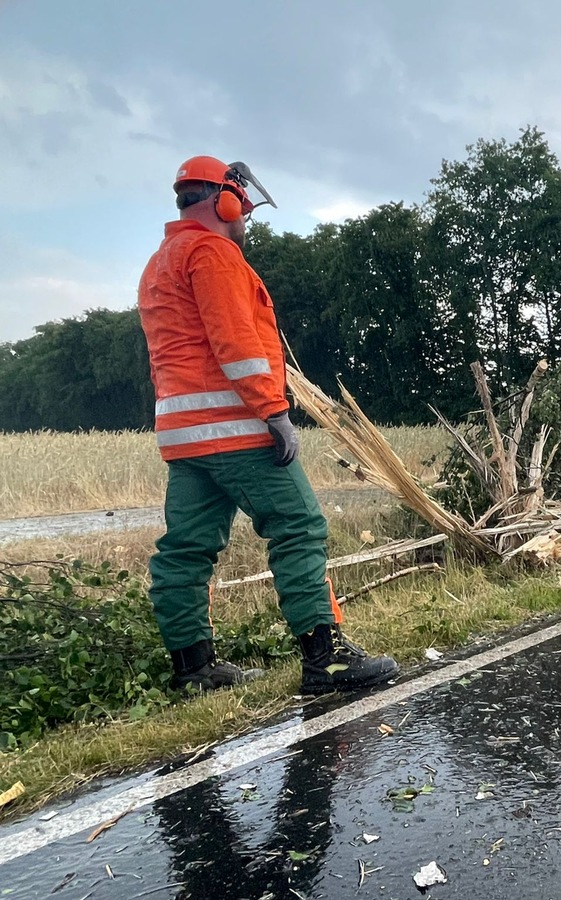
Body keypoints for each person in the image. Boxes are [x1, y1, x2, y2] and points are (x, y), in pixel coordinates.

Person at [138, 155, 398, 695]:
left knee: (186, 549)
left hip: (184, 439)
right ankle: (324, 662)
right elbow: (237, 345)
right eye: (242, 206)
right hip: (236, 428)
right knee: (298, 526)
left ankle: (194, 670)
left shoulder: (160, 261)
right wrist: (274, 412)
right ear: (222, 199)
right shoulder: (212, 254)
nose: (245, 219)